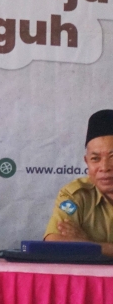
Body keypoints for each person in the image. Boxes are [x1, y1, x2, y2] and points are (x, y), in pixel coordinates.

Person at [44, 109, 113, 255]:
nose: (104, 167)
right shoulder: (76, 194)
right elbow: (53, 241)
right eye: (95, 159)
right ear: (86, 162)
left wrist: (88, 244)